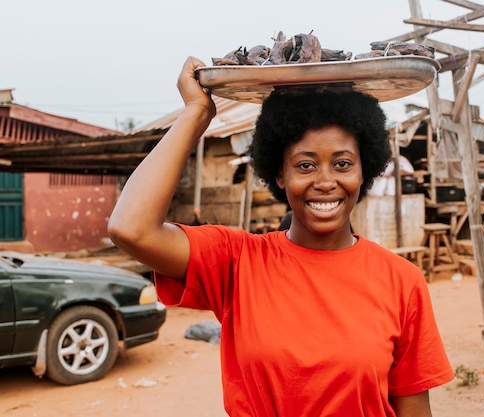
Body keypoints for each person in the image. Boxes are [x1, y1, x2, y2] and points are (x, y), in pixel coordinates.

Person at [108, 56, 454, 417]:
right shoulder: (237, 263)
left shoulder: (401, 280)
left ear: (364, 169)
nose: (325, 182)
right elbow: (131, 228)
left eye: (343, 164)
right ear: (279, 174)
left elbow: (414, 410)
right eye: (305, 165)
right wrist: (196, 112)